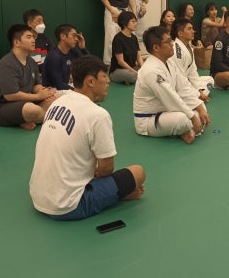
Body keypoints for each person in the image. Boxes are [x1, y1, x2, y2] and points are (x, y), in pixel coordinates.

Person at [29, 55, 146, 221]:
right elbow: (107, 169)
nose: (108, 81)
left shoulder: (57, 103)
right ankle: (117, 196)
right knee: (138, 172)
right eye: (104, 77)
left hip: (37, 195)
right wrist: (100, 173)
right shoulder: (98, 115)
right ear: (90, 81)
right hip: (67, 206)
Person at [133, 26, 210, 144]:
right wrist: (193, 117)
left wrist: (200, 108)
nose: (172, 44)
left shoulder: (169, 62)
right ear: (156, 48)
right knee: (182, 119)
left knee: (201, 107)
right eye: (168, 41)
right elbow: (171, 98)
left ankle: (187, 130)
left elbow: (184, 87)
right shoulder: (151, 71)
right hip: (149, 118)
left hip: (167, 111)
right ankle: (185, 129)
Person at [0, 24, 59, 130]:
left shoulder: (31, 62)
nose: (33, 40)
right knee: (31, 110)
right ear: (17, 42)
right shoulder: (7, 64)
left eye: (33, 37)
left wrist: (44, 91)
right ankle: (43, 117)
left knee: (57, 97)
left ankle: (25, 119)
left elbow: (35, 85)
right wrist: (38, 96)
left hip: (22, 102)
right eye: (29, 37)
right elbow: (11, 95)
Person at [171, 18, 214, 102]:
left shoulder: (189, 48)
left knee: (210, 80)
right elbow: (180, 79)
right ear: (180, 33)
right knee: (191, 91)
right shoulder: (176, 51)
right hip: (177, 85)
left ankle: (195, 97)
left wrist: (199, 90)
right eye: (189, 29)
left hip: (187, 81)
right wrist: (199, 93)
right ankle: (193, 98)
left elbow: (192, 72)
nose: (193, 31)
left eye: (192, 28)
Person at [42, 24, 87, 91]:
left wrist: (83, 48)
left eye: (77, 36)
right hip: (53, 91)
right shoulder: (54, 56)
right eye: (74, 35)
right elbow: (59, 85)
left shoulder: (72, 52)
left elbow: (91, 64)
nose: (76, 39)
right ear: (63, 36)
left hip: (65, 88)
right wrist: (80, 91)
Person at [109, 11, 142, 84]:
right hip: (117, 71)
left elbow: (139, 56)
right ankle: (128, 78)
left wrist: (143, 69)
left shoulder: (134, 37)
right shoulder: (118, 39)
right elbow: (120, 62)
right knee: (134, 76)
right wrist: (135, 72)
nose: (135, 24)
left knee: (149, 70)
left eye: (135, 21)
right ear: (124, 23)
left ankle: (129, 79)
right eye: (132, 21)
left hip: (132, 68)